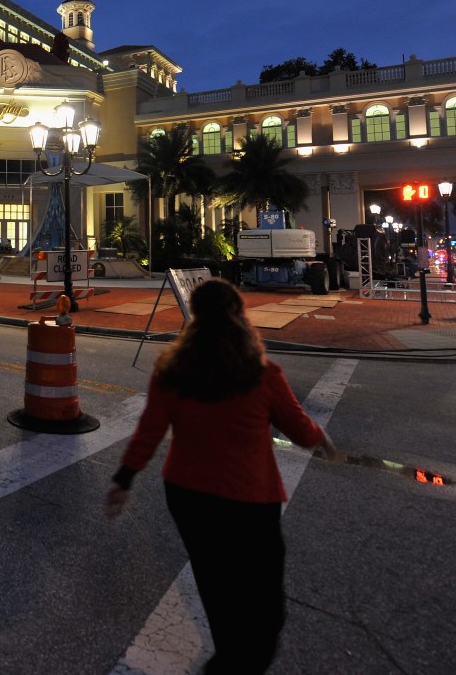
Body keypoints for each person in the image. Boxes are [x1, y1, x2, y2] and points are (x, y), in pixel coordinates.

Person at [105, 278, 339, 674]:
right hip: (249, 501)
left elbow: (149, 430)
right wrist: (322, 439)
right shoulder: (261, 373)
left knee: (217, 590)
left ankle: (229, 658)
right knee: (265, 608)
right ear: (238, 314)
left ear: (194, 316)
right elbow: (299, 430)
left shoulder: (171, 370)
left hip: (189, 496)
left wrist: (124, 478)